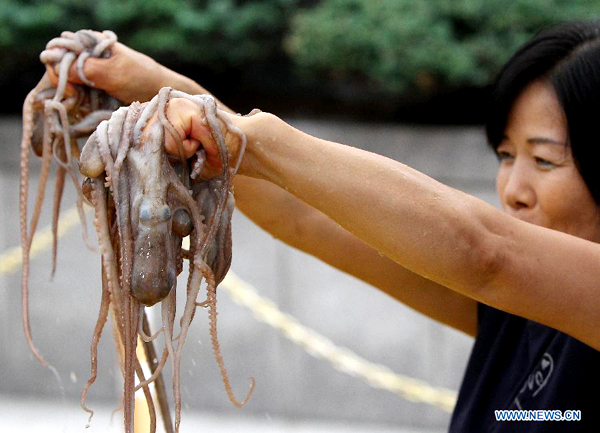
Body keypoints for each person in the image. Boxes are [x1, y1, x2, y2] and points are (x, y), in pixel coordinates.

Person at [48, 21, 600, 431]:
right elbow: (306, 216)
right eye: (506, 155)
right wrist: (153, 88)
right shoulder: (515, 315)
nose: (514, 189)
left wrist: (251, 139)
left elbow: (483, 252)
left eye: (545, 161)